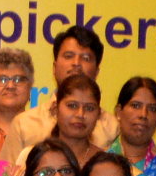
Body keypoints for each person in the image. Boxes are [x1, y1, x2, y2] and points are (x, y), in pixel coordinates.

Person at [13, 25, 103, 153]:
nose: (76, 63)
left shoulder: (112, 128)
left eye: (86, 58)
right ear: (54, 67)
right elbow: (6, 167)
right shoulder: (23, 124)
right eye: (68, 56)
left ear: (97, 71)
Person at [0, 46, 37, 162]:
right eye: (2, 79)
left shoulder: (43, 130)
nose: (10, 86)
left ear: (30, 85)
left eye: (18, 79)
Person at [44, 72, 106, 170]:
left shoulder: (106, 163)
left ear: (99, 114)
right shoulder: (34, 157)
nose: (80, 114)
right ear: (55, 109)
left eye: (89, 108)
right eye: (72, 106)